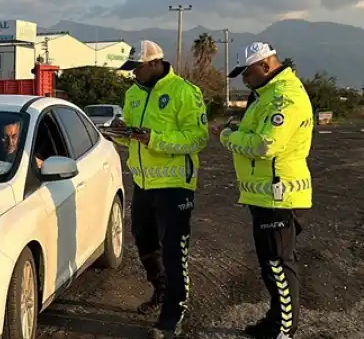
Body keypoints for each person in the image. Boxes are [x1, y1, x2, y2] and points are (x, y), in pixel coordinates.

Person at [212, 43, 313, 339]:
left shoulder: (285, 97)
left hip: (279, 194)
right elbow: (255, 134)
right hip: (265, 194)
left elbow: (265, 144)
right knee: (271, 264)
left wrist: (229, 136)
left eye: (247, 72)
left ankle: (285, 330)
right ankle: (275, 320)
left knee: (279, 265)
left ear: (266, 66)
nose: (244, 79)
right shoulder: (266, 95)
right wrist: (238, 133)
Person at [112, 40, 209, 339]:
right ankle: (162, 290)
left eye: (137, 68)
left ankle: (173, 312)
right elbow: (132, 137)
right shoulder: (133, 94)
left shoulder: (184, 92)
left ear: (155, 64)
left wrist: (154, 139)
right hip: (143, 183)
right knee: (144, 242)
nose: (133, 75)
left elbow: (197, 138)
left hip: (174, 185)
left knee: (173, 251)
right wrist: (120, 134)